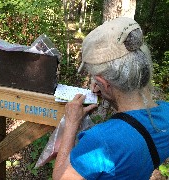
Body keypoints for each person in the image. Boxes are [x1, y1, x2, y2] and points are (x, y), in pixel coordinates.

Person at [52, 17, 169, 180]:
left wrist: (71, 122)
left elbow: (59, 178)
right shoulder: (166, 113)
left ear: (103, 83)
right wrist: (111, 95)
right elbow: (134, 124)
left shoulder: (101, 141)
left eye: (96, 80)